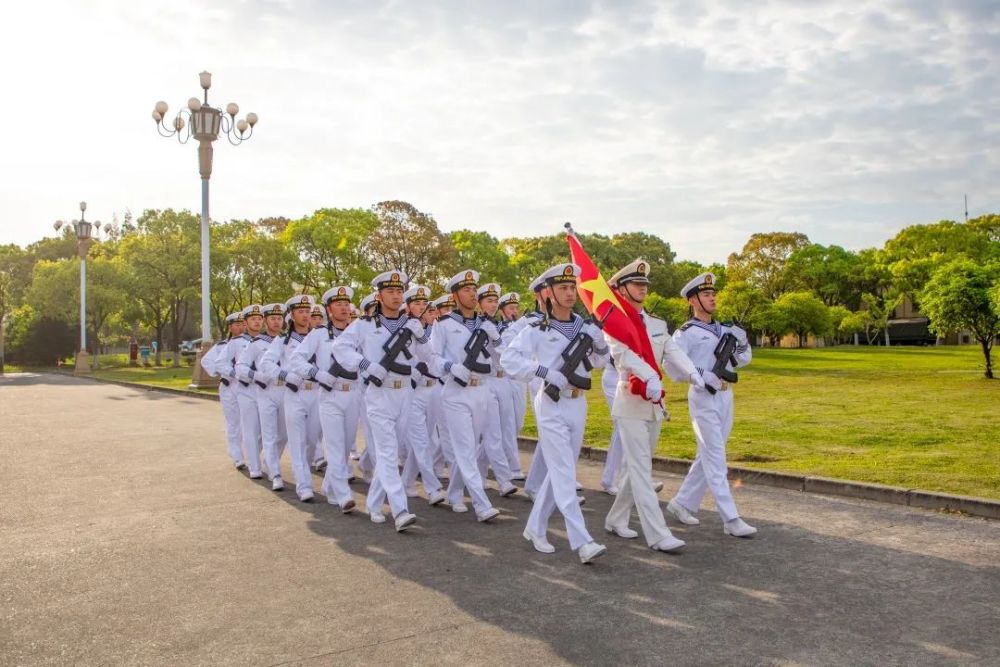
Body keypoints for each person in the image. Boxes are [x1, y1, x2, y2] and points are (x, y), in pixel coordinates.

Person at [501, 263, 610, 564]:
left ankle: (535, 528)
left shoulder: (584, 328)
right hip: (550, 403)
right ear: (547, 293)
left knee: (559, 470)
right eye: (562, 288)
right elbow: (509, 359)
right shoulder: (535, 329)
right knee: (564, 472)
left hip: (578, 401)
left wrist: (601, 345)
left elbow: (599, 364)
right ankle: (582, 540)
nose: (569, 293)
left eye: (572, 287)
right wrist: (542, 371)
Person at [602, 259, 703, 552]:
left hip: (654, 403)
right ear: (621, 289)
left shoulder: (657, 324)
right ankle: (658, 535)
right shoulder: (614, 322)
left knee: (639, 467)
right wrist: (648, 375)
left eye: (645, 284)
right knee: (641, 469)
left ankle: (616, 519)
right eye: (636, 284)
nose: (643, 289)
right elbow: (623, 356)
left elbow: (672, 351)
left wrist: (693, 373)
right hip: (630, 403)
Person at [331, 270, 429, 532]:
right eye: (391, 292)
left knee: (392, 451)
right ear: (379, 295)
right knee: (386, 452)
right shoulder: (364, 325)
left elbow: (428, 355)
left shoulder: (410, 324)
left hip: (405, 391)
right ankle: (400, 510)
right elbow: (340, 348)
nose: (396, 296)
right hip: (378, 394)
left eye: (399, 292)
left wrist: (420, 335)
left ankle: (373, 504)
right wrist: (364, 364)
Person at [666, 272, 757, 538]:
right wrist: (698, 374)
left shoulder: (724, 329)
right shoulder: (685, 333)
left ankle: (681, 503)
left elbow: (743, 359)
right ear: (693, 300)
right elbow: (671, 366)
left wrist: (742, 341)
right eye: (706, 295)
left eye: (713, 293)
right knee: (716, 457)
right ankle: (730, 518)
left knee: (708, 455)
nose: (712, 298)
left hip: (726, 395)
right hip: (703, 397)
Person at [426, 269, 503, 522]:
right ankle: (481, 504)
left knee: (471, 445)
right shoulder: (444, 324)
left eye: (474, 289)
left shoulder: (485, 324)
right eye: (467, 290)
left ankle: (455, 492)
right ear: (456, 295)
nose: (472, 294)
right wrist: (450, 367)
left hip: (482, 389)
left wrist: (497, 339)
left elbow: (501, 359)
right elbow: (433, 358)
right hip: (456, 392)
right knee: (465, 447)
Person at [287, 286, 362, 513]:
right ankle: (343, 495)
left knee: (347, 443)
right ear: (329, 310)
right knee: (335, 445)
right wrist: (318, 374)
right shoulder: (319, 334)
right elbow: (296, 359)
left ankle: (330, 486)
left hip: (354, 393)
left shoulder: (359, 331)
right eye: (338, 304)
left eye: (346, 303)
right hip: (330, 394)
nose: (344, 308)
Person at [260, 295, 322, 503]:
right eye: (301, 312)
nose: (305, 315)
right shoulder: (283, 340)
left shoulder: (319, 336)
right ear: (292, 315)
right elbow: (266, 364)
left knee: (312, 440)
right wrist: (285, 376)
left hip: (317, 392)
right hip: (295, 393)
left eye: (308, 311)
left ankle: (304, 473)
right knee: (296, 440)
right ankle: (303, 484)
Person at [399, 284, 447, 505]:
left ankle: (407, 482)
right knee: (420, 442)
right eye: (416, 303)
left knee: (425, 440)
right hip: (413, 391)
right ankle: (433, 487)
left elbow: (435, 357)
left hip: (434, 388)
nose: (421, 308)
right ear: (407, 306)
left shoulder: (434, 329)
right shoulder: (402, 329)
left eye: (424, 304)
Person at [235, 303, 288, 491]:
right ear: (266, 321)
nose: (276, 321)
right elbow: (240, 367)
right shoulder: (256, 343)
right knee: (269, 433)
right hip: (266, 391)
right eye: (272, 318)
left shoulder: (289, 340)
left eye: (279, 318)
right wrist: (257, 376)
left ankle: (269, 460)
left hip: (287, 390)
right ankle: (275, 474)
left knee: (284, 434)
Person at [476, 281, 519, 497]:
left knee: (505, 429)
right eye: (489, 301)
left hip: (503, 381)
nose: (493, 305)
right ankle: (504, 480)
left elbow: (504, 353)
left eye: (495, 301)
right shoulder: (475, 325)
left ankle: (479, 472)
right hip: (487, 381)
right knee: (493, 432)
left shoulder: (494, 326)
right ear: (479, 303)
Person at [201, 312, 245, 470]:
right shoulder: (221, 346)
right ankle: (236, 454)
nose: (241, 327)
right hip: (229, 386)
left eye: (242, 324)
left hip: (245, 386)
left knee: (246, 421)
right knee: (233, 421)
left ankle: (245, 452)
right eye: (237, 324)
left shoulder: (248, 343)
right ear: (230, 327)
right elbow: (206, 361)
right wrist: (222, 373)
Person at [229, 304, 266, 480]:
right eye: (253, 319)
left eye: (259, 319)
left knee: (267, 430)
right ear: (246, 322)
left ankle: (256, 456)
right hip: (246, 389)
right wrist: (235, 374)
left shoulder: (269, 341)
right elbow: (221, 363)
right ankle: (254, 465)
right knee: (250, 428)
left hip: (265, 389)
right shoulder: (236, 343)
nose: (257, 322)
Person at [497, 291, 526, 480]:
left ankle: (490, 456)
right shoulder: (499, 329)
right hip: (505, 378)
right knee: (508, 424)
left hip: (519, 380)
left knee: (518, 423)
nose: (514, 311)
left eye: (516, 308)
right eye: (510, 308)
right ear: (502, 311)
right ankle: (513, 467)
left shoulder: (522, 327)